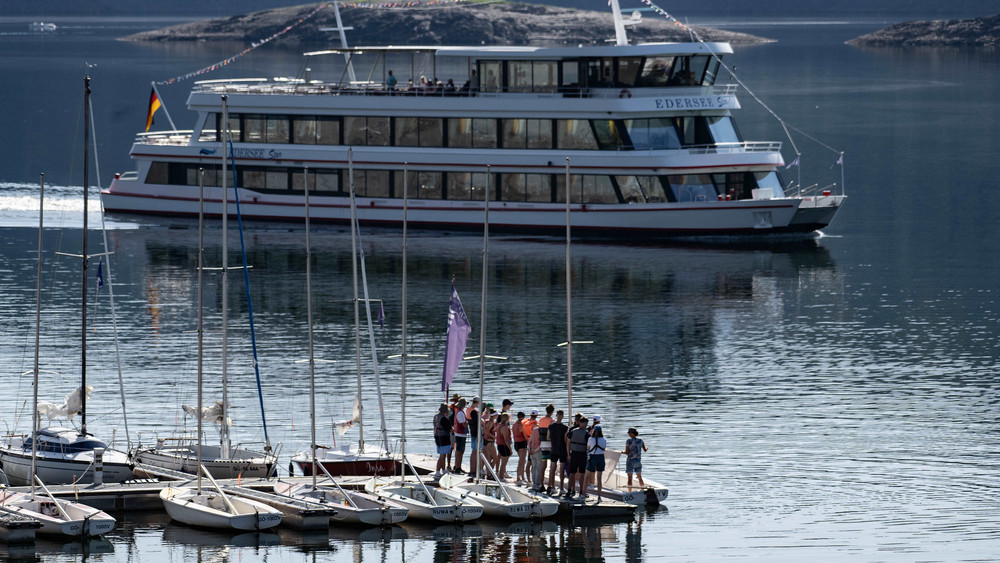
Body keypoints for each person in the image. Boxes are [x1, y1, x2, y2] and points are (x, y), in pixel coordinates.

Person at [565, 416, 589, 499]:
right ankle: (581, 491)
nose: (586, 425)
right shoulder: (586, 434)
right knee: (581, 473)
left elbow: (568, 442)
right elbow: (588, 446)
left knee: (572, 473)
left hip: (574, 453)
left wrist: (568, 454)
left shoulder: (572, 431)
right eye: (585, 423)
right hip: (581, 454)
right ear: (581, 423)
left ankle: (569, 490)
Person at [547, 409, 568, 495]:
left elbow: (548, 438)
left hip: (554, 449)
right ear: (562, 416)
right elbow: (565, 440)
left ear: (556, 415)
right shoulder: (565, 428)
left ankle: (552, 487)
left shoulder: (551, 427)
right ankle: (562, 488)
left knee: (552, 468)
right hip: (562, 449)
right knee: (562, 469)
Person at [585, 426, 607, 501]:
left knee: (586, 477)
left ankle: (583, 493)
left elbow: (588, 448)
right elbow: (604, 448)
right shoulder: (604, 439)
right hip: (601, 458)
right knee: (599, 478)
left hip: (592, 457)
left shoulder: (590, 439)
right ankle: (599, 496)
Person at [433, 403, 453, 478]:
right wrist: (453, 429)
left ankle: (441, 470)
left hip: (437, 437)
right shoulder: (444, 419)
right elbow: (450, 429)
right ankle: (440, 471)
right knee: (443, 455)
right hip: (444, 438)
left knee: (442, 455)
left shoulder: (436, 416)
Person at [452, 398, 468, 474]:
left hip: (458, 434)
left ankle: (458, 466)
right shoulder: (460, 413)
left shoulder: (458, 412)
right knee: (460, 451)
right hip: (460, 434)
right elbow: (464, 425)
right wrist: (468, 423)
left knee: (459, 451)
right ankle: (457, 468)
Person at [527, 421, 544, 491]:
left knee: (534, 468)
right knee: (538, 468)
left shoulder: (534, 430)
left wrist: (530, 450)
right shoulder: (541, 431)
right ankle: (537, 484)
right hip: (537, 451)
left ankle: (534, 484)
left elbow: (529, 441)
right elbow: (541, 444)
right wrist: (535, 451)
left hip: (531, 450)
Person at [512, 411, 528, 485]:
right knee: (521, 461)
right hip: (522, 443)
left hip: (516, 443)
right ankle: (518, 478)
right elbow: (524, 435)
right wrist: (529, 440)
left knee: (522, 461)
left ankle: (522, 477)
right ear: (522, 417)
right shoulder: (521, 425)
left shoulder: (514, 424)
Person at [495, 412, 512, 479]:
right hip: (504, 445)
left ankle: (501, 475)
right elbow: (506, 439)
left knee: (503, 461)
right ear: (507, 419)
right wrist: (510, 448)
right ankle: (501, 477)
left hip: (500, 445)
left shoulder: (499, 425)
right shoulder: (504, 428)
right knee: (504, 462)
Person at [467, 397, 481, 475]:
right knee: (475, 452)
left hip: (472, 432)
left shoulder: (468, 409)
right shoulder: (474, 412)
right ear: (477, 403)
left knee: (474, 451)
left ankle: (472, 470)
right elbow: (477, 423)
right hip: (476, 433)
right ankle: (473, 470)